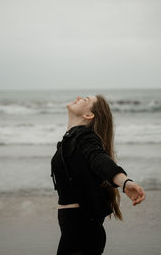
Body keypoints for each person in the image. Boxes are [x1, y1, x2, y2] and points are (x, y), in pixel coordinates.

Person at [51, 94, 146, 255]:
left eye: (86, 100)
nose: (79, 97)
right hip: (74, 229)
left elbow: (99, 159)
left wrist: (125, 182)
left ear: (88, 115)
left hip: (83, 231)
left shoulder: (85, 137)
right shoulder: (69, 140)